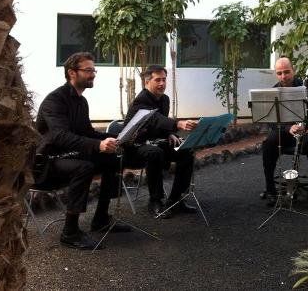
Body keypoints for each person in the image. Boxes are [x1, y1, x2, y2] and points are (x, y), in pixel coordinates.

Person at [34, 52, 131, 250]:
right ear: (72, 73)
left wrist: (113, 139)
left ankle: (101, 219)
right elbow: (60, 136)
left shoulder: (81, 101)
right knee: (84, 167)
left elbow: (86, 132)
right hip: (46, 164)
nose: (93, 74)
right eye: (88, 70)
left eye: (93, 70)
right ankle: (70, 232)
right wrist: (97, 146)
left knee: (111, 160)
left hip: (68, 156)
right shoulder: (55, 100)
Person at [123, 65, 199, 219]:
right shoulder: (140, 101)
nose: (162, 84)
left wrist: (170, 133)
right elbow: (153, 119)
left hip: (155, 143)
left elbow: (160, 124)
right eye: (157, 80)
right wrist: (177, 124)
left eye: (164, 80)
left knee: (186, 150)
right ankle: (155, 201)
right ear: (147, 82)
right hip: (134, 146)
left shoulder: (164, 99)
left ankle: (176, 199)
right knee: (155, 153)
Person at [261, 57, 308, 209]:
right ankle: (271, 190)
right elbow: (271, 121)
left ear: (293, 70)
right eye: (279, 73)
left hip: (305, 130)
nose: (283, 76)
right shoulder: (274, 91)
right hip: (284, 132)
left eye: (287, 72)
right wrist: (287, 128)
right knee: (268, 144)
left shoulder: (307, 87)